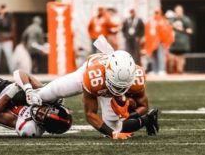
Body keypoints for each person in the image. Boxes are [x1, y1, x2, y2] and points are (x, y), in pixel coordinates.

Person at [14, 36, 159, 140]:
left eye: (122, 87)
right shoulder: (93, 77)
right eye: (115, 85)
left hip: (105, 80)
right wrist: (111, 134)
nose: (117, 90)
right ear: (108, 74)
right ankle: (16, 98)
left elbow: (143, 105)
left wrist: (129, 115)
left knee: (115, 127)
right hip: (88, 74)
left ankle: (147, 120)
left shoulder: (137, 76)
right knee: (43, 95)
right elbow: (90, 114)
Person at [143, 10, 174, 75]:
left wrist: (164, 41)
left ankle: (161, 69)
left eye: (157, 13)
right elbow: (147, 32)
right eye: (155, 13)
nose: (156, 14)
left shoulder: (162, 21)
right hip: (152, 42)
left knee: (161, 56)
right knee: (154, 57)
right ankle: (155, 70)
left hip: (160, 41)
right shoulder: (151, 21)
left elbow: (165, 32)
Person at [169, 5, 193, 74]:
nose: (178, 12)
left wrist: (182, 29)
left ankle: (180, 72)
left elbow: (190, 31)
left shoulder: (186, 19)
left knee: (181, 59)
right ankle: (171, 73)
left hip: (182, 43)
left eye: (179, 11)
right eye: (177, 11)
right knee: (171, 60)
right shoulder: (171, 19)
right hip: (173, 43)